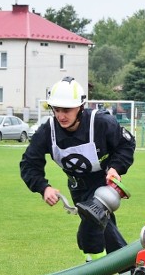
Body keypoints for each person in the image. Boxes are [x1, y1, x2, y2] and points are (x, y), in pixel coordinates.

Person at [21, 76, 136, 262]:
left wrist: (115, 168)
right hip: (77, 186)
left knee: (94, 223)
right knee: (94, 227)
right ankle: (118, 268)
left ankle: (122, 269)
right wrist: (44, 188)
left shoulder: (101, 123)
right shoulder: (46, 131)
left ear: (80, 107)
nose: (61, 116)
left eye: (66, 110)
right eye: (56, 110)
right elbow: (28, 164)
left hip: (103, 182)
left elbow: (126, 145)